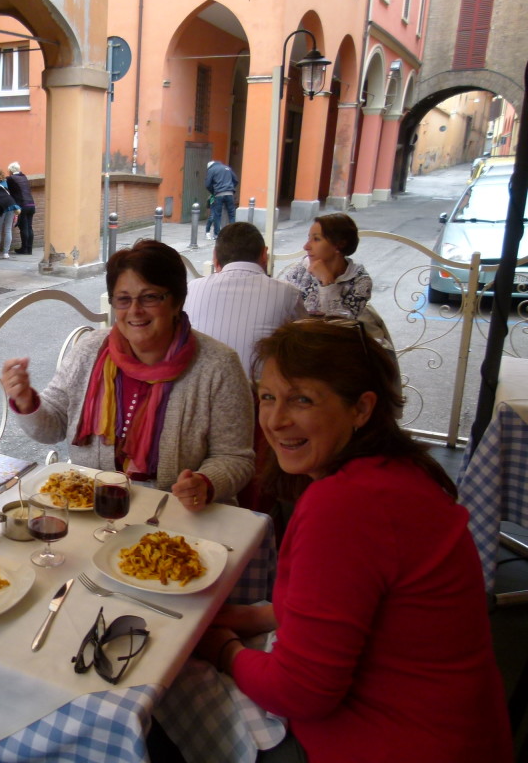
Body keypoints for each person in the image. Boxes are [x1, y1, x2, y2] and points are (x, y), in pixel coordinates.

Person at [195, 319, 513, 763]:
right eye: (267, 397)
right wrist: (247, 616)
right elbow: (347, 607)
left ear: (362, 409)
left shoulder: (345, 505)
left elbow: (300, 693)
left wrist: (223, 649)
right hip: (462, 729)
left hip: (390, 741)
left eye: (301, 399)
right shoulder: (397, 470)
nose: (274, 419)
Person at [1, 238, 255, 511]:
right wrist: (27, 401)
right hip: (93, 509)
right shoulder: (89, 350)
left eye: (150, 297)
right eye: (123, 299)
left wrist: (206, 482)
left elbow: (234, 457)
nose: (134, 310)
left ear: (177, 301)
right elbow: (53, 426)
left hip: (175, 517)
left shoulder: (218, 365)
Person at [186, 221, 306, 381]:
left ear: (215, 257)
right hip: (261, 397)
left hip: (204, 395)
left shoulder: (192, 289)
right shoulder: (287, 293)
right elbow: (305, 345)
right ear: (264, 255)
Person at [282, 213, 372, 318]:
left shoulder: (359, 281)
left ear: (340, 244)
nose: (306, 246)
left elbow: (341, 325)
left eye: (316, 239)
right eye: (309, 238)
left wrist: (327, 284)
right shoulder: (299, 272)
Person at [6, 161, 36, 255]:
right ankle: (29, 249)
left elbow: (5, 185)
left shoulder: (10, 178)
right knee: (29, 227)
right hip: (31, 204)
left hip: (22, 205)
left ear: (10, 170)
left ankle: (24, 249)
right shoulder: (24, 177)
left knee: (23, 228)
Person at [204, 160, 239, 238]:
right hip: (229, 193)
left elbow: (207, 184)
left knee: (217, 215)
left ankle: (217, 234)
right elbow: (236, 180)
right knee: (231, 215)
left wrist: (213, 192)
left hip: (219, 194)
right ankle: (233, 234)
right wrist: (231, 188)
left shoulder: (211, 169)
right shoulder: (227, 168)